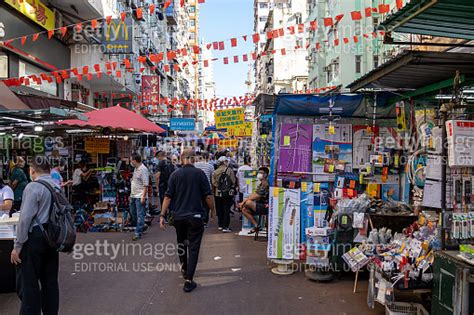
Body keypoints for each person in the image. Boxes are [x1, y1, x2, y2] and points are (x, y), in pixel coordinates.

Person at [160, 149, 215, 293]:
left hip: (179, 218)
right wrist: (213, 211)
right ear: (193, 159)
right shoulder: (199, 174)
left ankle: (184, 267)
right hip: (196, 217)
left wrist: (161, 215)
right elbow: (208, 196)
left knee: (182, 243)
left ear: (181, 159)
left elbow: (167, 197)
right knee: (194, 248)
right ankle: (189, 280)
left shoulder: (175, 175)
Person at [11, 156, 60, 315]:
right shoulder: (56, 186)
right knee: (50, 283)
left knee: (29, 284)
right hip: (52, 237)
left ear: (32, 170)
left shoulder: (33, 187)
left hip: (35, 238)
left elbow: (25, 219)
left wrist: (17, 246)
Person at [240, 167, 270, 233]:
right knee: (244, 210)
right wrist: (243, 202)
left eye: (261, 173)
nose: (259, 174)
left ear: (265, 175)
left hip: (264, 206)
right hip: (259, 204)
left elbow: (257, 196)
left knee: (248, 203)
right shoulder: (261, 184)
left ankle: (257, 225)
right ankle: (256, 225)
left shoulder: (266, 184)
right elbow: (255, 194)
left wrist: (243, 202)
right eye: (259, 172)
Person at [212, 156, 236, 232]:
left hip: (217, 193)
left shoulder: (215, 172)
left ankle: (220, 224)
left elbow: (213, 183)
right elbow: (233, 181)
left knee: (219, 209)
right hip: (227, 193)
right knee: (226, 208)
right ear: (224, 162)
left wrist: (219, 186)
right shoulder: (230, 170)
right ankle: (225, 226)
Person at [130, 153, 150, 241]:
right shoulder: (136, 168)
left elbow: (146, 185)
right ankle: (142, 225)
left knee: (139, 215)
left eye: (131, 160)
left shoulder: (143, 169)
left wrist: (143, 197)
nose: (130, 162)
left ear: (134, 161)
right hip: (133, 195)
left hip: (139, 195)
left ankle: (138, 232)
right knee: (133, 212)